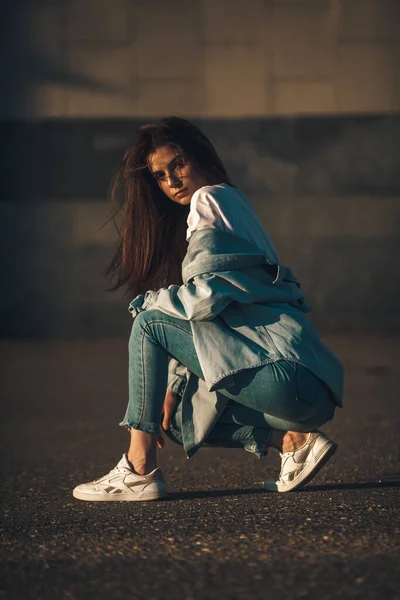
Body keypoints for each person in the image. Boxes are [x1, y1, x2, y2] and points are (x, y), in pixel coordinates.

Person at [73, 117, 343, 502]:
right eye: (161, 175)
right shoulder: (236, 202)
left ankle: (137, 469)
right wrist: (172, 386)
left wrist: (147, 302)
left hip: (281, 374)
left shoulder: (209, 199)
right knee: (184, 420)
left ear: (198, 155)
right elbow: (218, 312)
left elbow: (202, 300)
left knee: (149, 322)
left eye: (178, 163)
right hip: (307, 388)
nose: (172, 181)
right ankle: (294, 443)